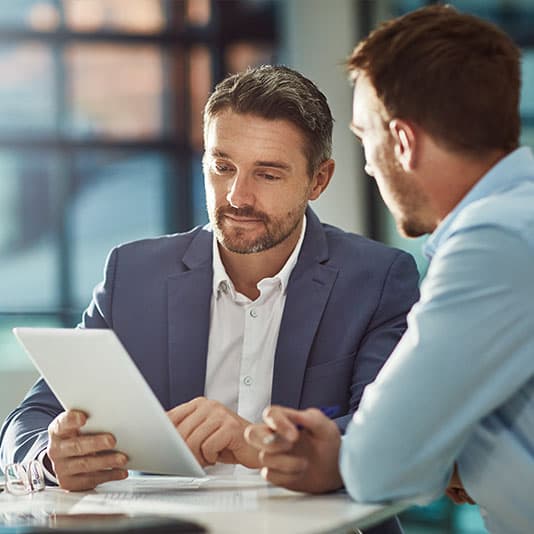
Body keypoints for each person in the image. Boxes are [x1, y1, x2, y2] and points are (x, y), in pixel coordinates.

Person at [0, 65, 418, 508]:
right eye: (222, 167)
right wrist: (51, 457)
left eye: (268, 174)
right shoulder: (134, 274)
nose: (237, 196)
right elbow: (30, 418)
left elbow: (388, 434)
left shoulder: (377, 279)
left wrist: (257, 445)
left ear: (319, 180)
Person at [245, 6, 534, 533]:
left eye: (364, 139)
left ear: (402, 142)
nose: (368, 163)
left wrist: (339, 455)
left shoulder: (493, 242)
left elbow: (380, 464)